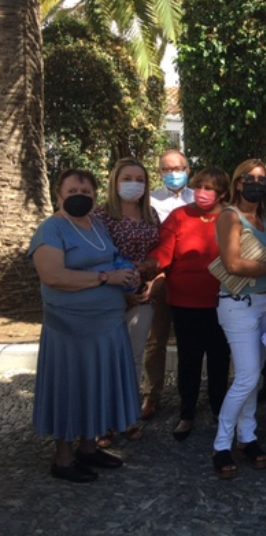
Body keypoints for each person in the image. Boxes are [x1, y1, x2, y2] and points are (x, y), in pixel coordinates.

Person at [30, 169, 141, 482]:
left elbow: (112, 260)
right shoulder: (51, 229)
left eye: (87, 192)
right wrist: (107, 278)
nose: (81, 196)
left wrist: (128, 276)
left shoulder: (97, 224)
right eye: (73, 190)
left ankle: (88, 448)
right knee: (70, 387)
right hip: (70, 330)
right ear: (59, 195)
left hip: (105, 326)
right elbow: (53, 276)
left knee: (95, 386)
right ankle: (63, 459)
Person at [141, 168, 231, 442]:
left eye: (210, 188)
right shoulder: (180, 216)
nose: (203, 192)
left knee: (219, 360)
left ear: (223, 193)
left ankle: (220, 411)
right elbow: (164, 251)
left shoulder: (231, 217)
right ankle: (187, 413)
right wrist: (150, 266)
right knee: (189, 360)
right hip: (184, 302)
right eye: (200, 186)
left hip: (223, 303)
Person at [211, 159, 266, 479]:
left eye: (262, 179)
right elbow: (234, 264)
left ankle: (247, 436)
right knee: (248, 377)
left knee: (251, 374)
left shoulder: (262, 218)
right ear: (238, 183)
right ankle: (221, 444)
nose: (256, 183)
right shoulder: (230, 216)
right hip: (239, 304)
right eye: (250, 178)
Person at [94, 157, 161, 442]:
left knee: (133, 357)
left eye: (140, 179)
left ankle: (128, 417)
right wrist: (121, 291)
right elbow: (95, 258)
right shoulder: (100, 216)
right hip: (109, 297)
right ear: (115, 182)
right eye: (127, 178)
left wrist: (153, 279)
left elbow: (162, 255)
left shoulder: (152, 215)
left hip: (143, 297)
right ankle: (100, 423)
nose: (134, 184)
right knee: (105, 359)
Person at [141, 150, 193, 420]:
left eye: (179, 168)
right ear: (160, 173)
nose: (174, 174)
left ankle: (189, 394)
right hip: (160, 278)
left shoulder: (199, 198)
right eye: (167, 169)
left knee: (190, 340)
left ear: (188, 169)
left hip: (191, 281)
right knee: (156, 339)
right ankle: (152, 394)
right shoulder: (149, 202)